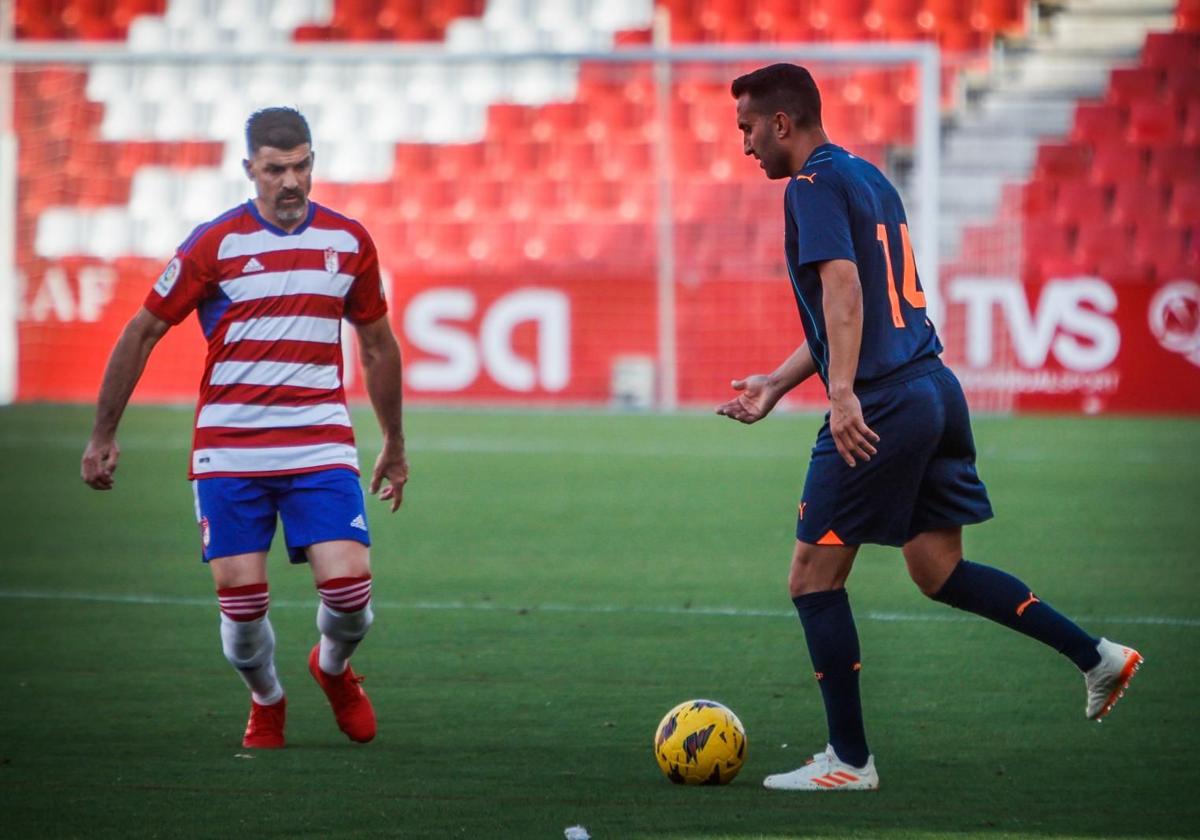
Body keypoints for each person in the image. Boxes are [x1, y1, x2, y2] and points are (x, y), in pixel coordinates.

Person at [719, 64, 1142, 791]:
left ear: (783, 123)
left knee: (812, 578)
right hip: (933, 388)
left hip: (882, 401)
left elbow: (844, 289)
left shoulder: (811, 187)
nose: (746, 145)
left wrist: (843, 393)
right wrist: (779, 381)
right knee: (937, 568)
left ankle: (849, 761)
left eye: (748, 130)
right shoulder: (868, 177)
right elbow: (860, 306)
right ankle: (1098, 656)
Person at [80, 107, 407, 750]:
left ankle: (333, 669)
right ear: (250, 169)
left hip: (318, 439)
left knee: (350, 593)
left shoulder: (348, 241)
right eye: (276, 168)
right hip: (230, 447)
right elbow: (142, 330)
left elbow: (377, 345)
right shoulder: (215, 243)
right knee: (241, 603)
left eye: (302, 165)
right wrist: (102, 433)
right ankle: (267, 698)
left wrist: (394, 440)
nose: (291, 181)